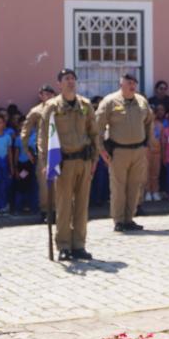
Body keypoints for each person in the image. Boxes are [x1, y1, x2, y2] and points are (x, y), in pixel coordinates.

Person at [37, 69, 98, 261]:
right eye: (66, 79)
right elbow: (44, 136)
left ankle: (79, 244)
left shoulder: (85, 105)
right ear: (59, 84)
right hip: (63, 162)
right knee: (63, 206)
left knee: (81, 205)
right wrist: (46, 162)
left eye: (73, 79)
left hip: (84, 160)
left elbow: (94, 132)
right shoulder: (52, 107)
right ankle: (63, 245)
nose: (71, 82)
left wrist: (95, 159)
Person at [95, 73, 153, 233]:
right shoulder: (110, 102)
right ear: (121, 84)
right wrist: (101, 149)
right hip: (118, 151)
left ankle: (129, 218)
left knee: (135, 186)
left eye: (134, 82)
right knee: (118, 187)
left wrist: (147, 143)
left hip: (138, 150)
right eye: (129, 82)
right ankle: (119, 220)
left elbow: (149, 121)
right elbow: (98, 127)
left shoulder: (141, 101)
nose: (132, 85)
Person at [21, 85, 56, 221]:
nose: (47, 96)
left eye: (50, 93)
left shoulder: (61, 108)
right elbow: (25, 130)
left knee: (60, 184)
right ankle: (45, 211)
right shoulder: (36, 111)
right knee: (44, 184)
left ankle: (58, 210)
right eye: (44, 93)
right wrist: (26, 150)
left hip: (60, 150)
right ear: (40, 95)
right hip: (43, 152)